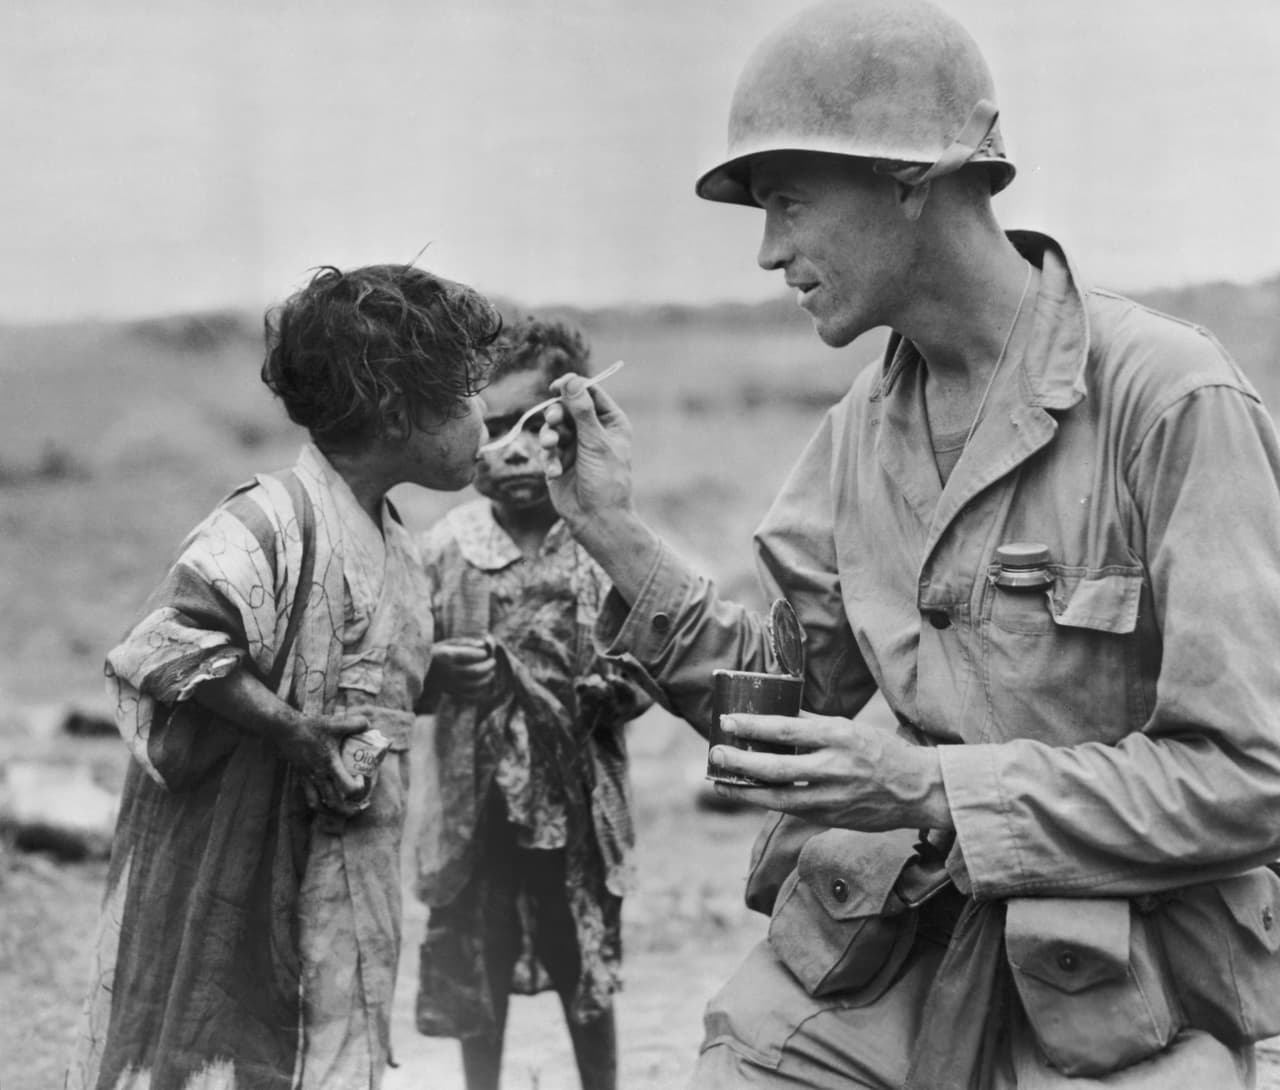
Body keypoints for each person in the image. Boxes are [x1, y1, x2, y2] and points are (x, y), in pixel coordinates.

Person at [535, 1, 1280, 1087]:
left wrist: (933, 787)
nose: (766, 251)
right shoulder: (858, 435)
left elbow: (1247, 779)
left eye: (788, 203)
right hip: (874, 972)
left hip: (1117, 998)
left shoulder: (1169, 403)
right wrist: (610, 531)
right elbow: (786, 713)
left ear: (909, 179)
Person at [66, 263, 502, 1090]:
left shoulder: (393, 542)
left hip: (352, 854)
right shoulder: (266, 521)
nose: (486, 418)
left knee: (340, 1031)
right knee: (235, 1041)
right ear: (400, 410)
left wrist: (432, 680)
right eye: (468, 394)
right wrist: (291, 731)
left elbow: (353, 674)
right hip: (254, 850)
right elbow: (164, 645)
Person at [413, 316, 652, 1090]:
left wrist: (623, 690)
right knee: (476, 965)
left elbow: (652, 659)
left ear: (571, 426)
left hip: (577, 809)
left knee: (580, 954)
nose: (512, 450)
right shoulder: (445, 551)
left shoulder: (607, 545)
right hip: (478, 811)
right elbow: (392, 675)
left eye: (533, 425)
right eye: (492, 425)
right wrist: (438, 676)